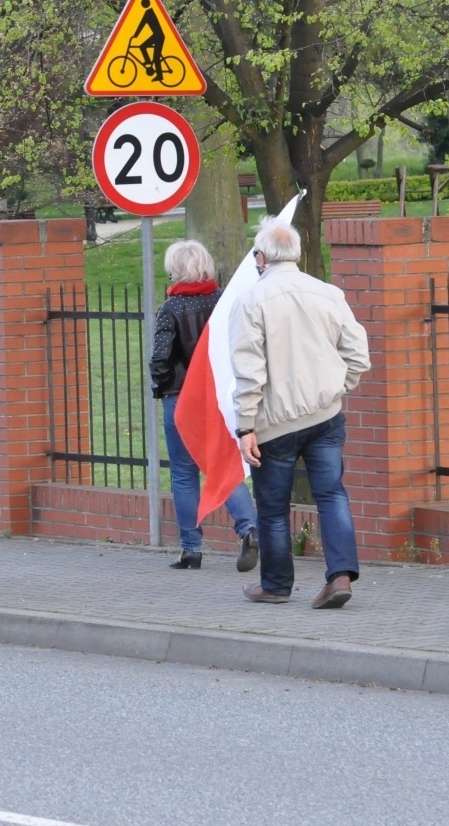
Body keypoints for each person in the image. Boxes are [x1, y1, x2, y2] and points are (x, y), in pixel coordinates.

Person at [231, 216, 370, 608]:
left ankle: (275, 585)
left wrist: (245, 426)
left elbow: (248, 370)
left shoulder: (250, 301)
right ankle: (340, 575)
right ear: (295, 253)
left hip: (274, 423)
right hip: (326, 416)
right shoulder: (328, 293)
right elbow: (358, 355)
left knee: (273, 507)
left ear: (261, 257)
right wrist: (336, 388)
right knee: (332, 494)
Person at [148, 239, 258, 572]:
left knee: (183, 474)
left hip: (181, 399)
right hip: (219, 395)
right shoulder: (223, 300)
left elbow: (160, 359)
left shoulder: (171, 309)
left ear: (175, 271)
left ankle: (191, 549)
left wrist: (163, 387)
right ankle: (249, 528)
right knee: (221, 464)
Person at [130, 0, 166, 79]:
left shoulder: (149, 13)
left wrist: (136, 35)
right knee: (143, 47)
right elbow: (142, 24)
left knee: (155, 57)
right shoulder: (150, 12)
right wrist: (136, 35)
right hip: (157, 35)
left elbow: (142, 25)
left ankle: (159, 75)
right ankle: (148, 61)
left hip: (158, 36)